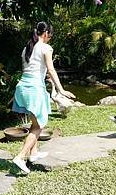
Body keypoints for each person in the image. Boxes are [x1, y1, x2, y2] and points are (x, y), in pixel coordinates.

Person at [11, 21, 75, 175]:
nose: (49, 39)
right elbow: (51, 70)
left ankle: (33, 154)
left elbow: (30, 69)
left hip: (22, 88)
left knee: (35, 121)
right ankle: (21, 156)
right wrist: (61, 90)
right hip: (34, 89)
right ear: (46, 33)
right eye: (50, 36)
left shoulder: (26, 48)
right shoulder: (46, 48)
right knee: (39, 125)